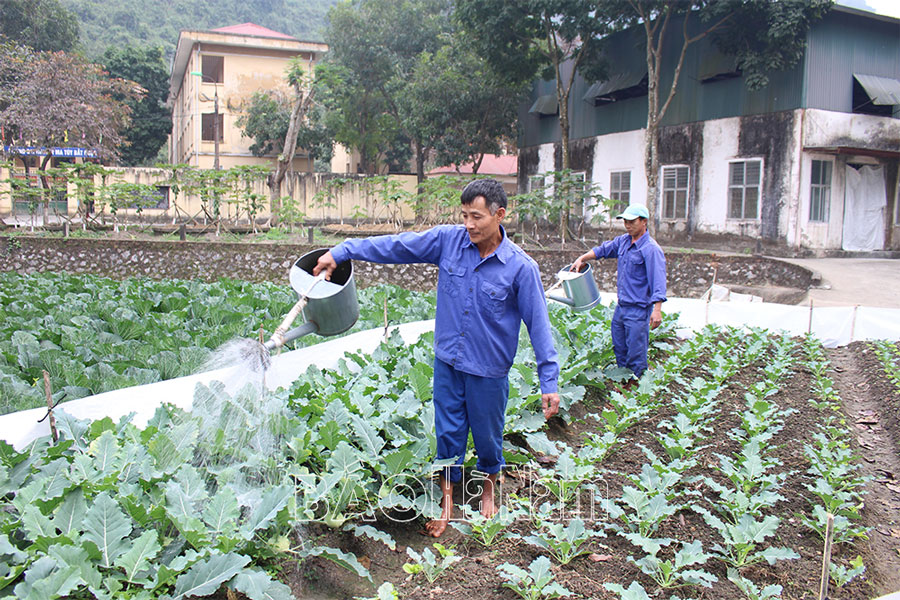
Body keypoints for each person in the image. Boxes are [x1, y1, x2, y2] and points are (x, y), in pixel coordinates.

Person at [313, 178, 560, 538]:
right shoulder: (449, 241)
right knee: (447, 435)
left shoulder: (521, 268)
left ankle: (489, 487)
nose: (469, 225)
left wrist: (548, 381)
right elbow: (397, 246)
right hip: (448, 362)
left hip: (489, 371)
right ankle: (446, 502)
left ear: (499, 214)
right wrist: (343, 251)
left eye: (476, 217)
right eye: (464, 216)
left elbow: (539, 326)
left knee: (488, 436)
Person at [570, 204, 667, 388]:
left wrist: (657, 309)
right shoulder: (624, 241)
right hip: (622, 307)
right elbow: (603, 250)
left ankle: (637, 388)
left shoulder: (650, 249)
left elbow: (658, 280)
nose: (627, 225)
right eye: (625, 221)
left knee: (636, 351)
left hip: (638, 309)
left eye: (632, 222)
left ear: (644, 222)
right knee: (619, 346)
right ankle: (624, 381)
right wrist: (583, 258)